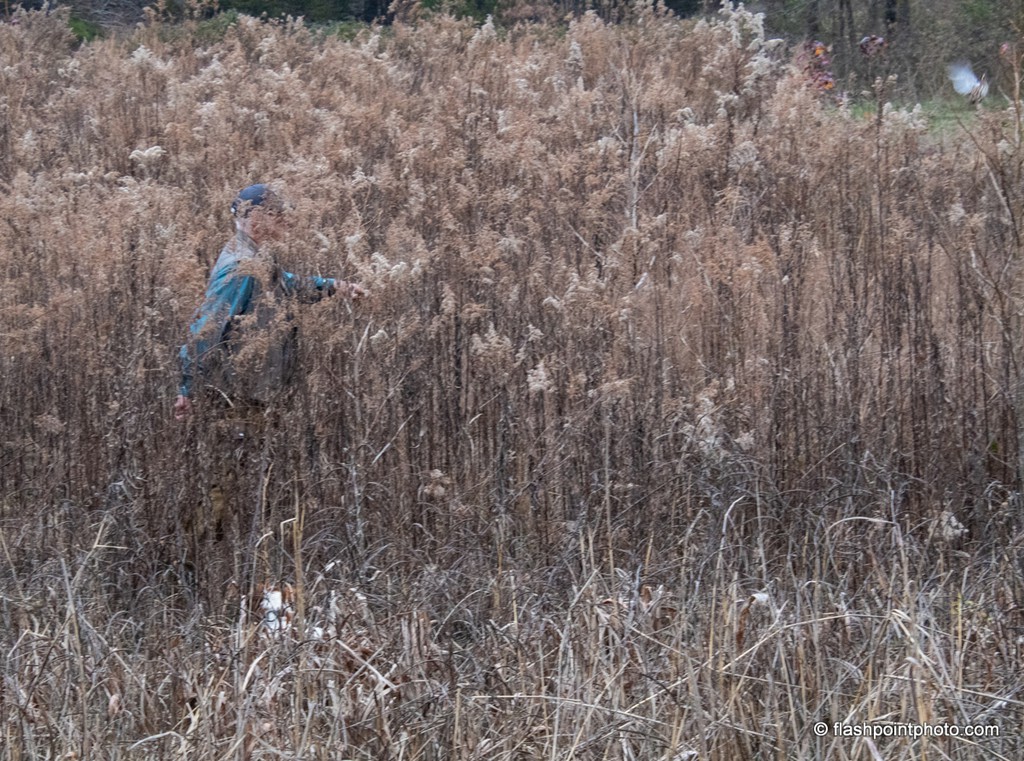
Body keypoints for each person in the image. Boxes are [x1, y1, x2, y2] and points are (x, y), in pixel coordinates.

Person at [174, 183, 364, 419]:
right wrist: (188, 390)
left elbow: (286, 283)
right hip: (238, 399)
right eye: (275, 214)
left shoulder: (254, 256)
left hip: (252, 395)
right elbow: (207, 329)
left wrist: (334, 286)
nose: (285, 220)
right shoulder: (241, 267)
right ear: (255, 219)